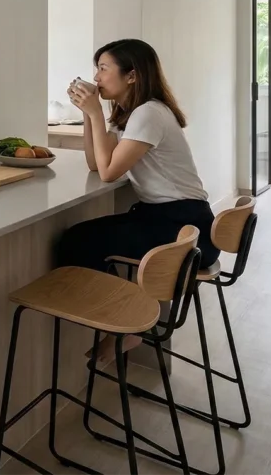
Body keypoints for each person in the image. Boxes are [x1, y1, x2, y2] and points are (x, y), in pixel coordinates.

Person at [59, 38, 217, 360]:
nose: (97, 77)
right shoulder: (136, 115)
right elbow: (96, 162)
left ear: (131, 75)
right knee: (81, 239)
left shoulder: (149, 114)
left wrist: (95, 112)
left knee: (77, 242)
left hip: (183, 228)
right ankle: (128, 321)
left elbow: (107, 172)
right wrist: (92, 115)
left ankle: (128, 326)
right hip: (174, 221)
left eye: (103, 68)